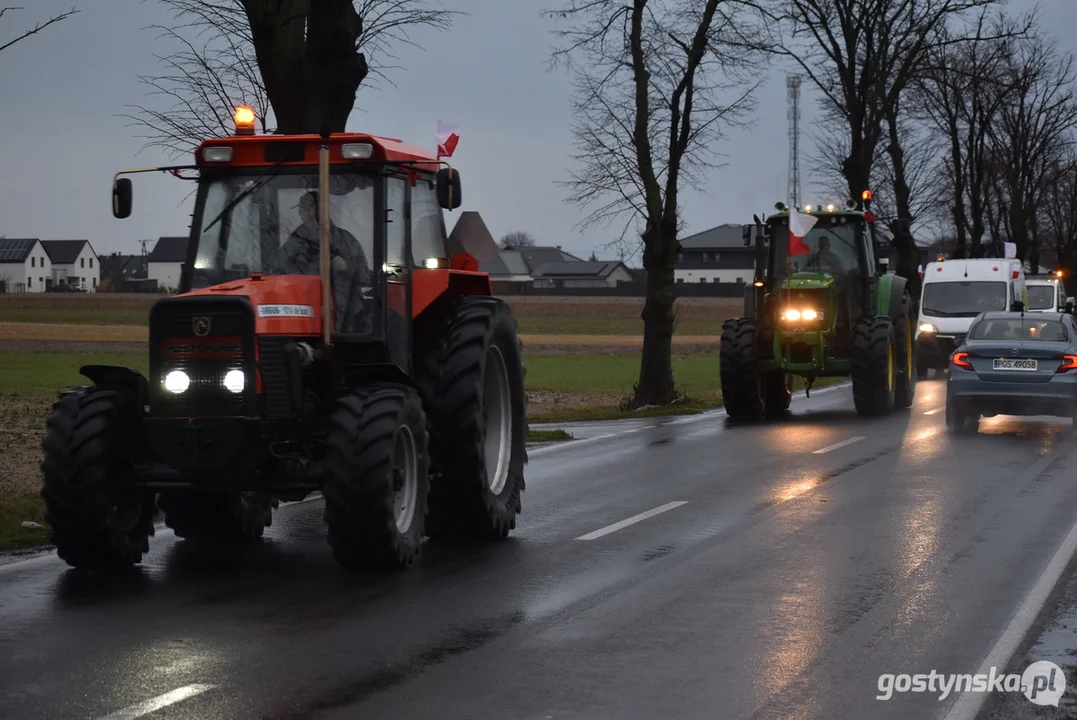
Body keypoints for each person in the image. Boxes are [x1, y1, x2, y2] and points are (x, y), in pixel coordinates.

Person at [272, 191, 373, 331]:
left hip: (342, 312)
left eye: (307, 208)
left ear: (319, 210)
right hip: (302, 306)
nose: (304, 213)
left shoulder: (345, 240)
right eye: (302, 209)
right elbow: (277, 270)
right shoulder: (294, 242)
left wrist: (346, 266)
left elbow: (363, 275)